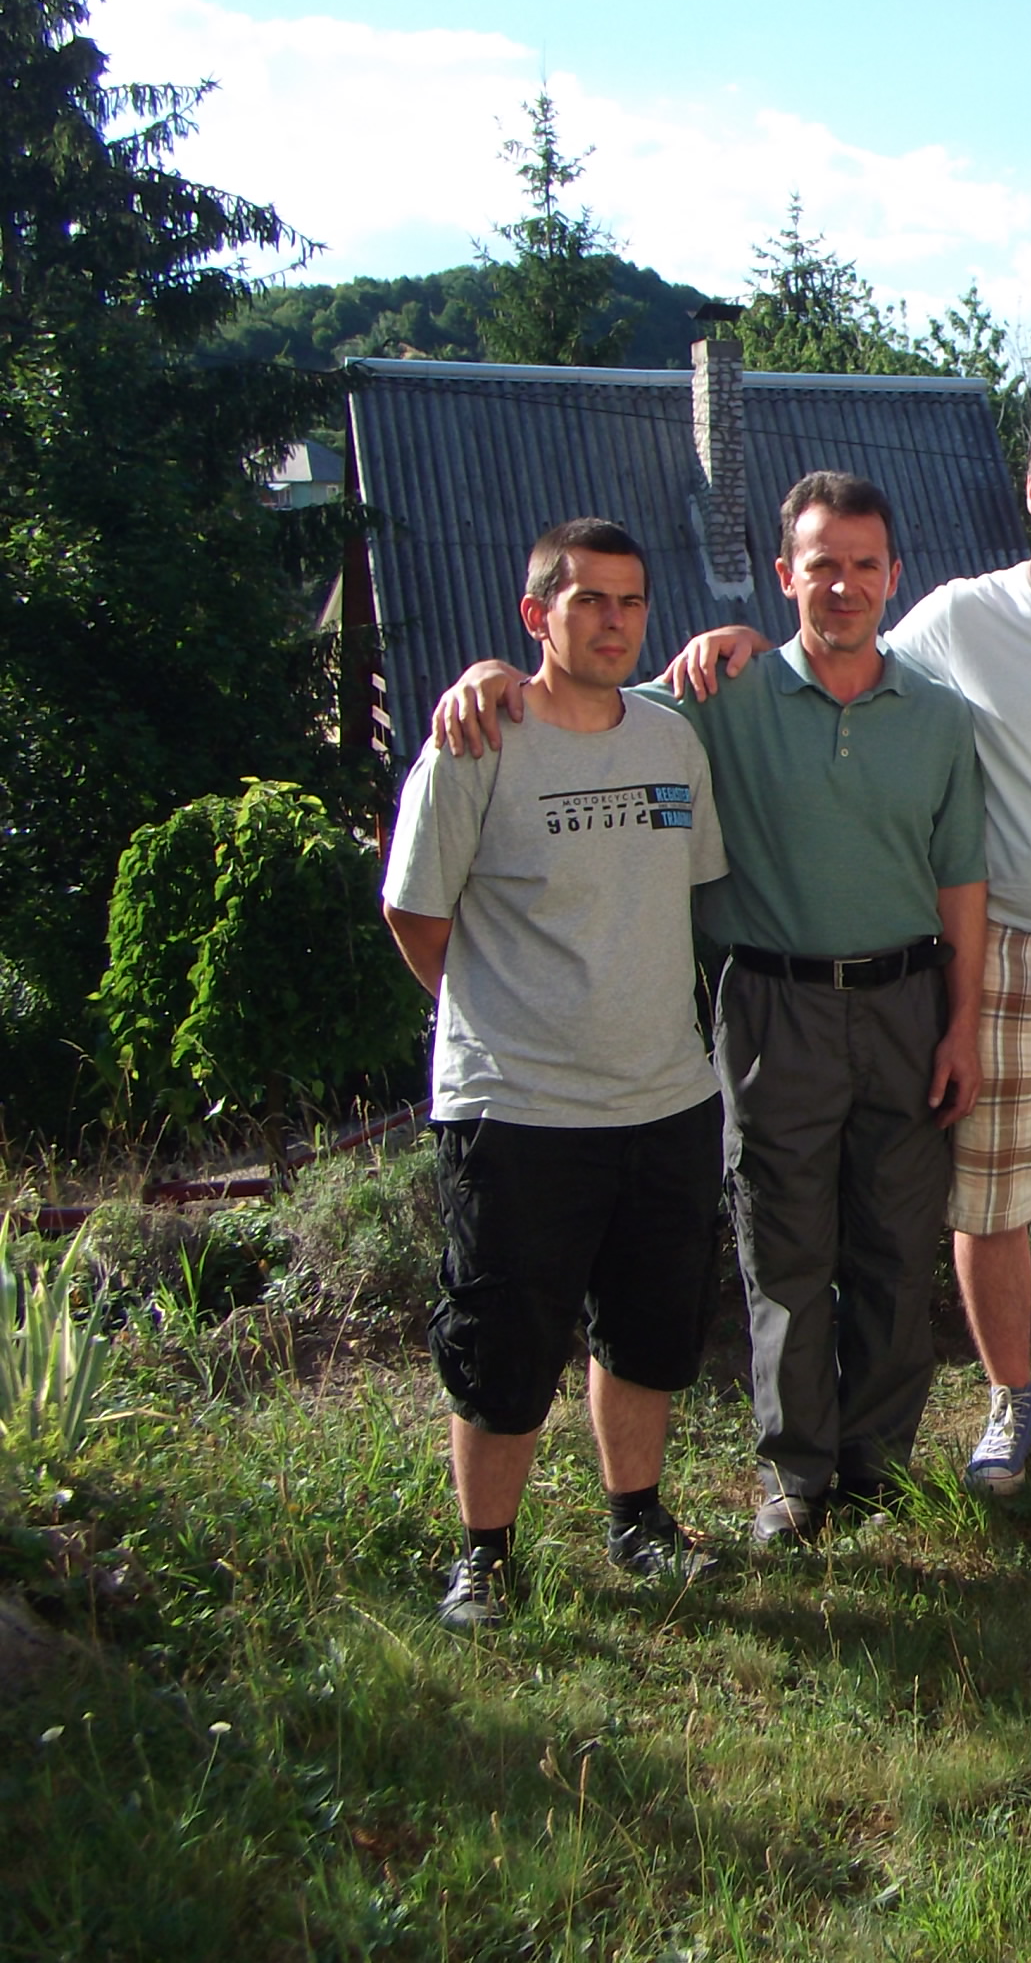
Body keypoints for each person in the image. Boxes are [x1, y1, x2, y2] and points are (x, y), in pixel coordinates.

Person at [432, 474, 989, 1548]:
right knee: (783, 1252)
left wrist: (962, 1024)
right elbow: (581, 696)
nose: (843, 586)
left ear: (894, 576)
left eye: (863, 566)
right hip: (772, 1005)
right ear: (784, 575)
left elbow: (962, 877)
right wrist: (488, 676)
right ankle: (798, 1478)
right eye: (820, 566)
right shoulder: (715, 695)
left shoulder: (937, 715)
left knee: (894, 1245)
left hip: (908, 1002)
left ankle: (879, 1469)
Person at [677, 409, 1031, 1492]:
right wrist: (742, 644)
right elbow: (846, 652)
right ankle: (1007, 1402)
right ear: (1030, 490)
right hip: (998, 946)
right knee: (991, 1198)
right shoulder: (963, 614)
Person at [384, 518, 730, 1628]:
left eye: (631, 602)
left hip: (665, 1096)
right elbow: (415, 913)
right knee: (502, 1341)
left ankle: (639, 1519)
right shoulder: (477, 740)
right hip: (518, 1107)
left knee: (647, 1329)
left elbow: (684, 892)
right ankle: (484, 1556)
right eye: (590, 601)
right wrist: (498, 1013)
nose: (615, 622)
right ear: (538, 615)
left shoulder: (670, 742)